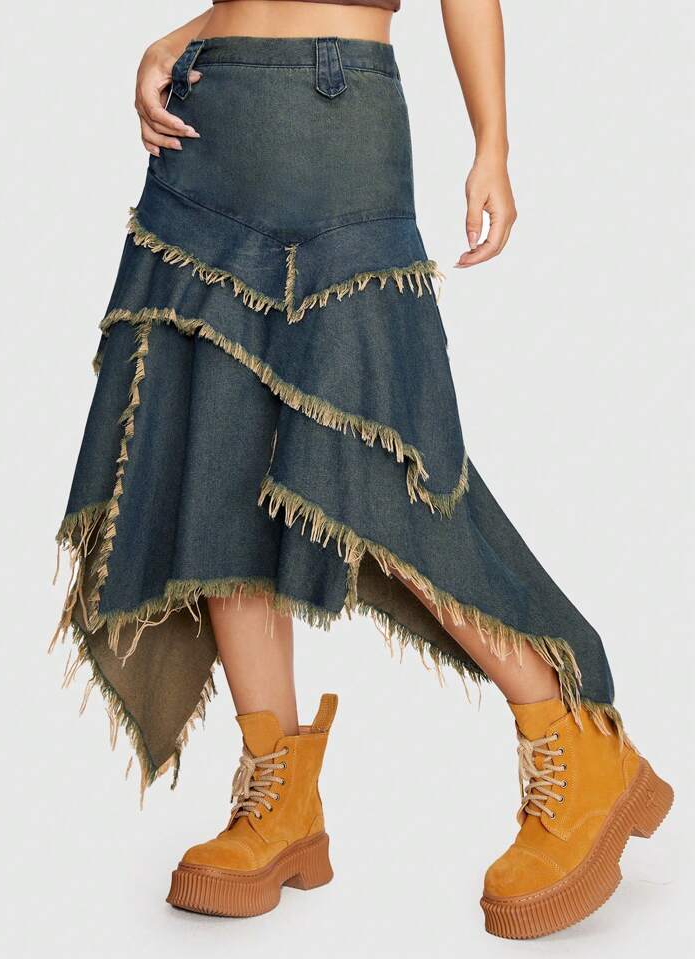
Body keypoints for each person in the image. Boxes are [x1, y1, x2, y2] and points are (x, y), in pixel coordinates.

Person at [51, 0, 672, 939]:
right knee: (215, 454)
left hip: (337, 118)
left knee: (388, 462)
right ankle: (280, 795)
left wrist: (493, 142)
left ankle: (573, 736)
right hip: (208, 123)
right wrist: (176, 40)